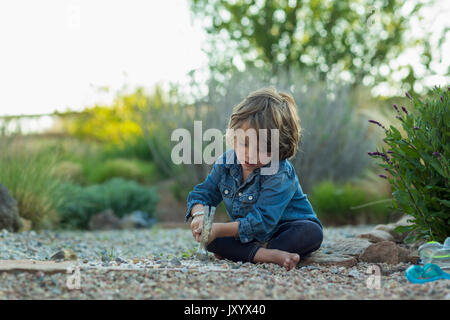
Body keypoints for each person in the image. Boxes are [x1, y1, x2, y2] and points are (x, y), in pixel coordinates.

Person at [185, 87, 323, 271]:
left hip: (284, 229)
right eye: (244, 143)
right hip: (249, 234)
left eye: (262, 149)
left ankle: (250, 253)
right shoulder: (227, 162)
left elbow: (262, 222)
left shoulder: (279, 172)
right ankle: (266, 255)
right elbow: (203, 193)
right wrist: (200, 215)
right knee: (211, 240)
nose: (249, 154)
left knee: (311, 233)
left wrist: (217, 229)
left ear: (279, 147)